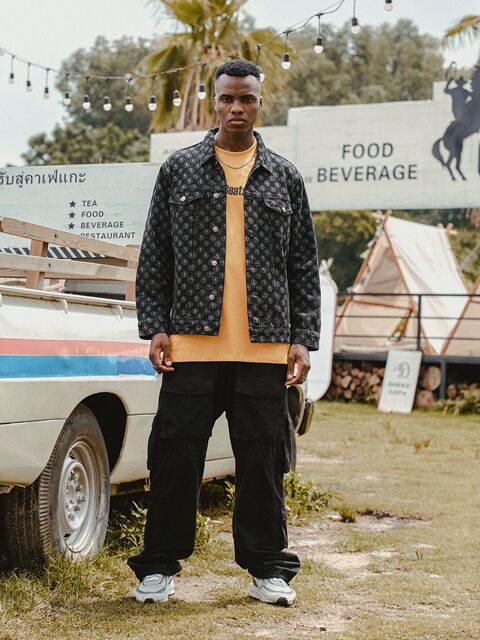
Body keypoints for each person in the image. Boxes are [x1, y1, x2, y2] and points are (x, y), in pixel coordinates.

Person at [127, 59, 321, 607]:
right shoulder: (180, 169)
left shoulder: (284, 176)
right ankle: (158, 568)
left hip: (265, 348)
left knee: (263, 462)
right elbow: (155, 252)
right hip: (191, 345)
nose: (237, 107)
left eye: (247, 98)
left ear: (260, 102)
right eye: (228, 98)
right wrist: (155, 325)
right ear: (215, 103)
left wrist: (302, 337)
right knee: (174, 458)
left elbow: (303, 263)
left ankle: (269, 570)